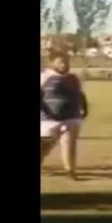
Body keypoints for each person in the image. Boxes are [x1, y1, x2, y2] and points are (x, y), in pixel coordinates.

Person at [41, 51, 88, 180]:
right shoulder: (45, 77)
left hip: (72, 116)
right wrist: (47, 112)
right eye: (60, 62)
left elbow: (80, 94)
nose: (64, 65)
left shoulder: (74, 77)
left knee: (70, 144)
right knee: (45, 147)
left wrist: (84, 109)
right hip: (49, 119)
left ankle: (71, 171)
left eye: (66, 62)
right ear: (52, 63)